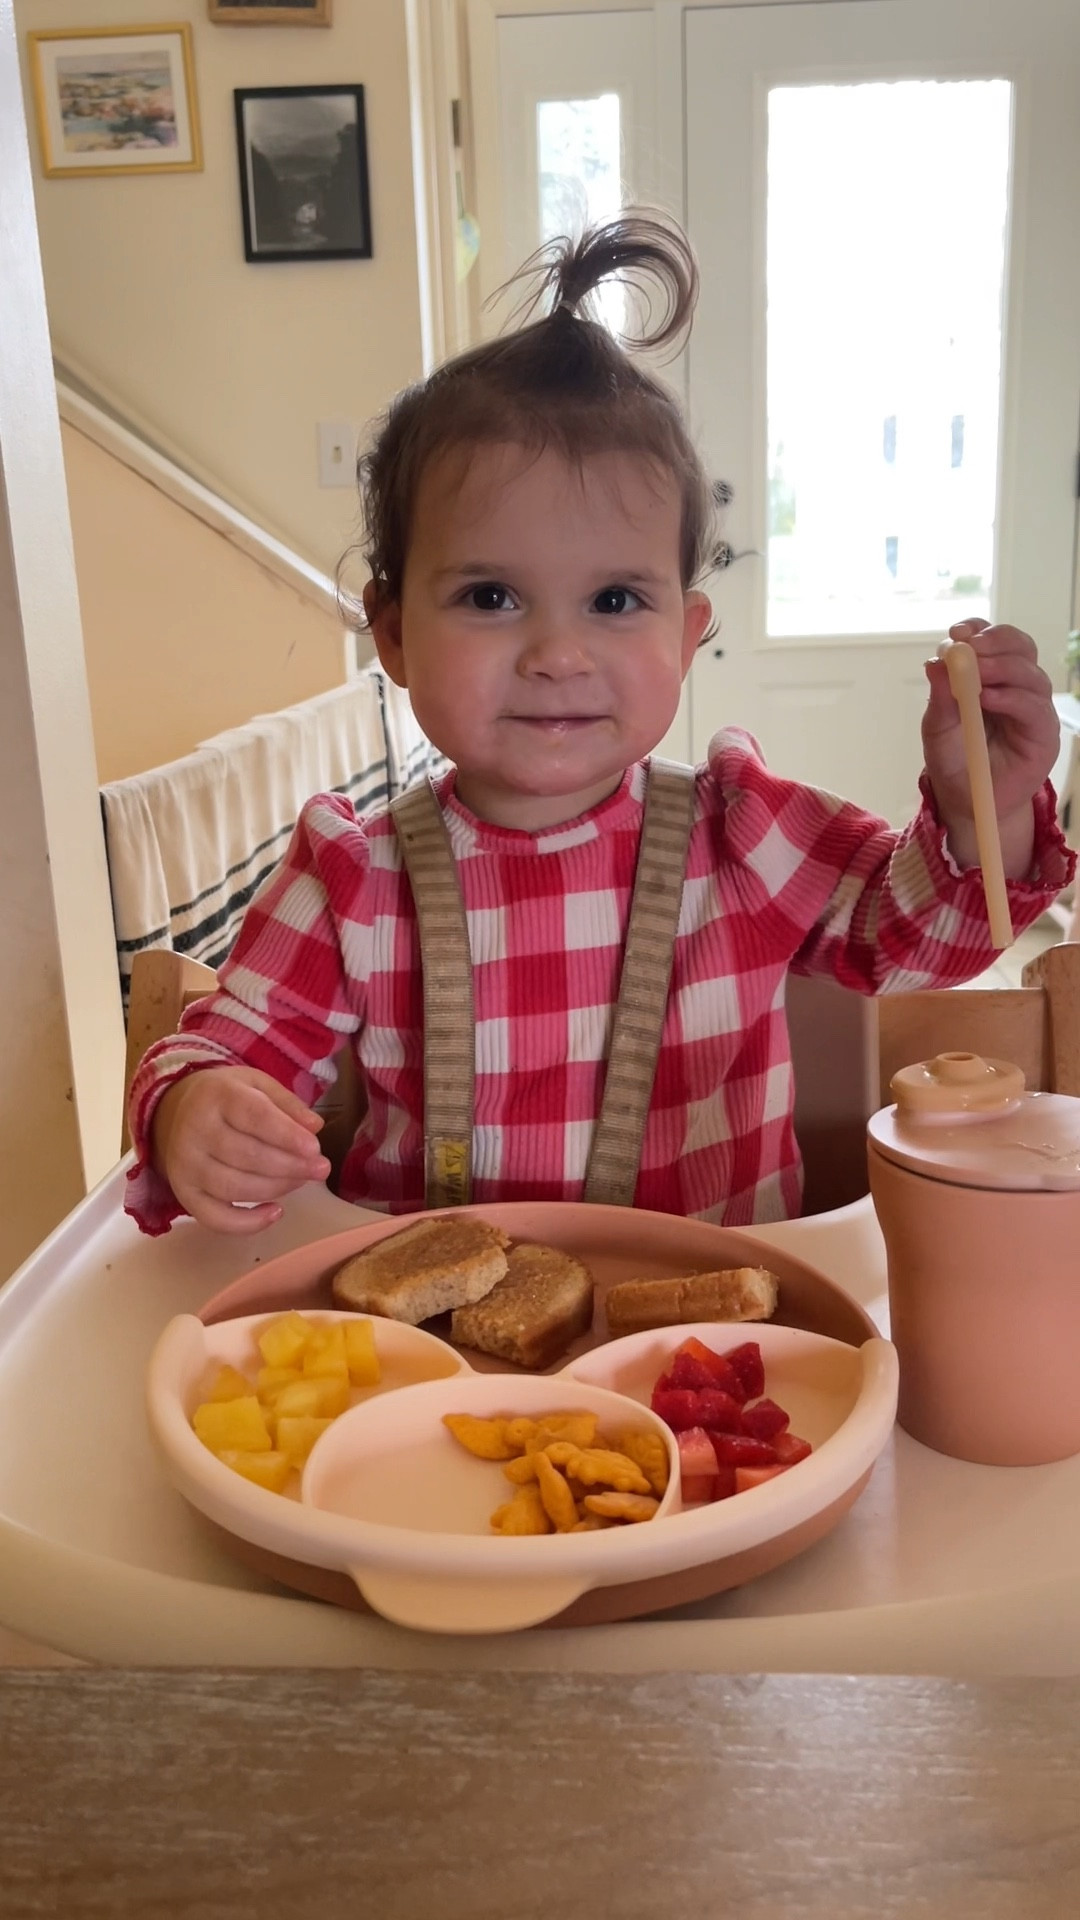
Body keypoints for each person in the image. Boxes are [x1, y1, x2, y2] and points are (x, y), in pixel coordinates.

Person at [125, 212, 1073, 1239]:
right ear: (392, 635)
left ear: (687, 630)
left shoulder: (743, 836)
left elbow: (918, 939)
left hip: (712, 1362)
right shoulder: (352, 878)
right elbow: (227, 1047)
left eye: (615, 601)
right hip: (431, 1371)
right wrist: (192, 1113)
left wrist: (990, 803)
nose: (556, 654)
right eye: (491, 597)